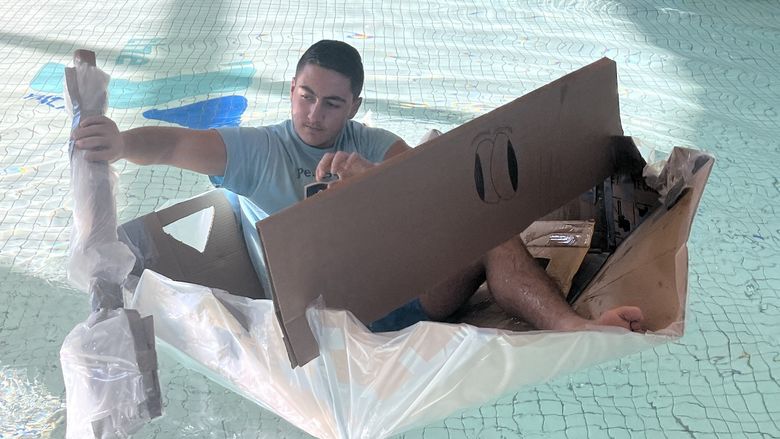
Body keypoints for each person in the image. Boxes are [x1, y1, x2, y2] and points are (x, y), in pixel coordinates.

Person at [72, 40, 643, 333]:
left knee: (485, 227)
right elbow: (173, 145)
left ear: (355, 106)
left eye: (332, 103)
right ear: (292, 88)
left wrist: (375, 185)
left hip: (405, 298)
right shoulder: (257, 150)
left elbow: (441, 205)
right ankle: (532, 298)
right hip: (325, 319)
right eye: (305, 95)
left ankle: (572, 327)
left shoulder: (374, 143)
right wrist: (122, 144)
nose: (314, 114)